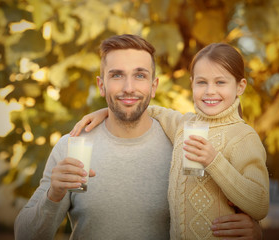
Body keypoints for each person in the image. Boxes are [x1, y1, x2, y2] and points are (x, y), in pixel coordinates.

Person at [70, 42, 269, 239]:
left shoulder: (243, 137)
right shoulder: (184, 126)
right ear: (192, 84)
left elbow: (259, 205)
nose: (210, 91)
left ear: (240, 86)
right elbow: (144, 108)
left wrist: (214, 161)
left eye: (220, 82)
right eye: (202, 82)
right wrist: (106, 111)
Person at [15, 34, 173, 239]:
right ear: (101, 85)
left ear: (153, 86)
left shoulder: (178, 145)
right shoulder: (71, 146)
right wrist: (52, 196)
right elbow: (24, 235)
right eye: (117, 75)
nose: (128, 88)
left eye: (140, 75)